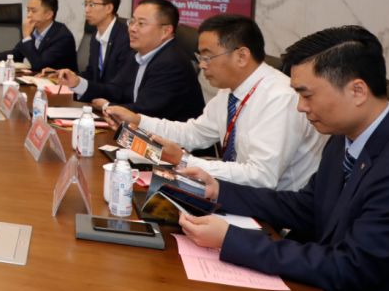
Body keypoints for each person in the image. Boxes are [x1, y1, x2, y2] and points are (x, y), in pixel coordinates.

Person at [179, 26, 389, 291]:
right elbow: (307, 207)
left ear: (357, 91)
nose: (300, 107)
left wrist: (232, 239)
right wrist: (219, 191)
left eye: (307, 95)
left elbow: (350, 266)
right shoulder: (342, 137)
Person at [104, 15, 325, 190]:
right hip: (237, 192)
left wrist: (184, 161)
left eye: (208, 57)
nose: (202, 65)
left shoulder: (280, 98)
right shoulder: (230, 91)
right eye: (200, 57)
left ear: (241, 56)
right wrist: (138, 120)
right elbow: (193, 133)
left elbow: (261, 177)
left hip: (275, 214)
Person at [55, 0, 204, 122]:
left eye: (141, 23)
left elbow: (147, 111)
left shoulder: (171, 63)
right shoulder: (138, 54)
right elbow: (115, 90)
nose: (132, 28)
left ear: (166, 31)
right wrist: (77, 83)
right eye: (132, 22)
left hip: (173, 145)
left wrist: (107, 106)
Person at [0, 0, 77, 72]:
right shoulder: (34, 29)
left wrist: (27, 36)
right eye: (28, 10)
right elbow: (18, 53)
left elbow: (39, 65)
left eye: (33, 11)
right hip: (37, 79)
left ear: (48, 15)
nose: (29, 15)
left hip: (58, 85)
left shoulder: (62, 37)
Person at [73, 0, 130, 83]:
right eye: (85, 4)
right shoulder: (96, 36)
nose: (86, 10)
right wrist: (66, 76)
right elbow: (92, 73)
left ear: (109, 8)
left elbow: (120, 83)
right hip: (100, 91)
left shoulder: (126, 37)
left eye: (92, 5)